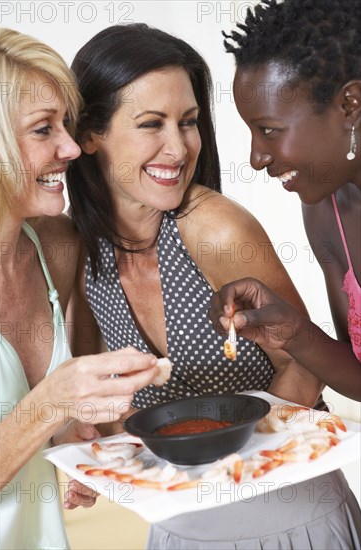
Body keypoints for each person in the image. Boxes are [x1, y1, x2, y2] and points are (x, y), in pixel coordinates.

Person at [66, 23, 361, 549]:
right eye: (151, 124)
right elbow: (95, 390)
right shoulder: (79, 249)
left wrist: (234, 465)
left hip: (289, 519)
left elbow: (305, 363)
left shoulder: (216, 229)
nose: (179, 148)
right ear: (90, 134)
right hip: (178, 528)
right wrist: (92, 455)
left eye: (189, 122)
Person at [0, 27, 161, 550]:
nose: (70, 147)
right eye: (44, 129)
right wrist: (52, 404)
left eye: (65, 124)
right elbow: (41, 402)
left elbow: (24, 417)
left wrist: (71, 440)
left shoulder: (55, 247)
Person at [209, 0, 361, 402]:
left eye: (270, 131)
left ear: (349, 106)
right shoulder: (325, 212)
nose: (256, 158)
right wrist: (292, 332)